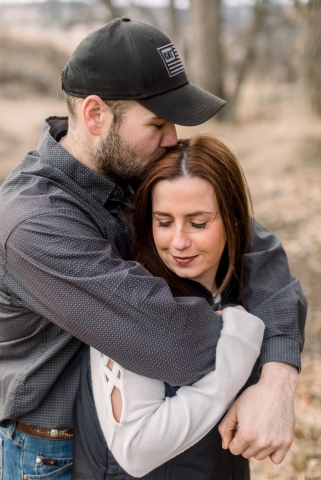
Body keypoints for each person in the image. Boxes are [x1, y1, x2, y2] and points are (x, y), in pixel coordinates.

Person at [0, 18, 305, 480]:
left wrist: (279, 376)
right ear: (96, 115)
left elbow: (255, 253)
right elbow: (175, 343)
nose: (172, 139)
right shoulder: (35, 222)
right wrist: (245, 334)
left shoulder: (143, 165)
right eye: (158, 123)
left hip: (169, 431)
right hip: (52, 456)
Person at [72, 134, 266, 479]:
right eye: (164, 222)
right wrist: (236, 349)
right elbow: (136, 449)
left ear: (234, 219)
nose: (178, 242)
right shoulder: (131, 302)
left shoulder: (236, 287)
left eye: (198, 223)